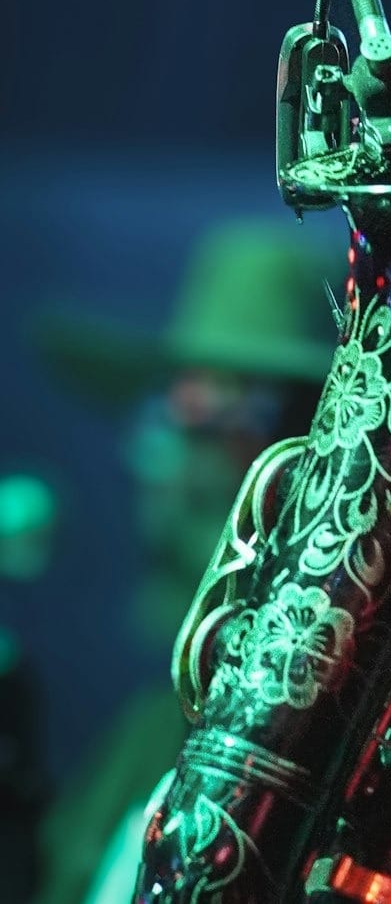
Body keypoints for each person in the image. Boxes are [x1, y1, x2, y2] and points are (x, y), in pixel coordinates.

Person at [27, 220, 338, 904]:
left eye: (202, 419)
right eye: (163, 416)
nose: (155, 459)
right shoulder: (149, 730)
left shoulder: (355, 750)